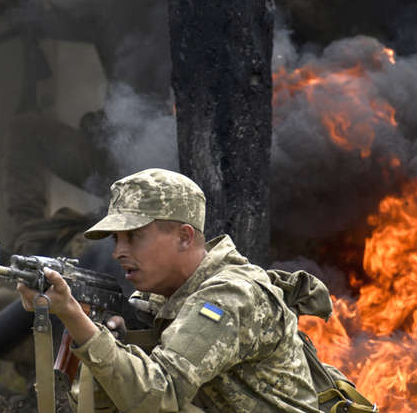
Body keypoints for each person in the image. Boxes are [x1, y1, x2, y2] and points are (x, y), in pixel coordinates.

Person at [18, 168, 321, 412]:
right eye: (116, 240)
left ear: (184, 237)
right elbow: (103, 405)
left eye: (134, 236)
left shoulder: (230, 296)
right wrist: (108, 342)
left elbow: (158, 397)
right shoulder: (154, 300)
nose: (118, 252)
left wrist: (76, 318)